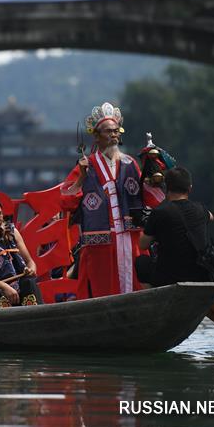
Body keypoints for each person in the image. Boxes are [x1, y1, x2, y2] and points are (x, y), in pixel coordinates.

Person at [61, 102, 144, 298]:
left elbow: (145, 196)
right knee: (102, 286)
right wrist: (81, 177)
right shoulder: (86, 165)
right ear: (96, 136)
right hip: (101, 240)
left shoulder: (130, 163)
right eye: (108, 131)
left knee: (134, 282)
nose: (114, 135)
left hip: (129, 237)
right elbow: (66, 202)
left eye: (116, 131)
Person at [135, 167, 214, 286]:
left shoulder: (160, 212)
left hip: (170, 277)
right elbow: (211, 216)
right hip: (201, 275)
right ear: (190, 188)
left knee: (141, 262)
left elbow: (143, 244)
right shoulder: (201, 209)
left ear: (167, 188)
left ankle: (153, 298)